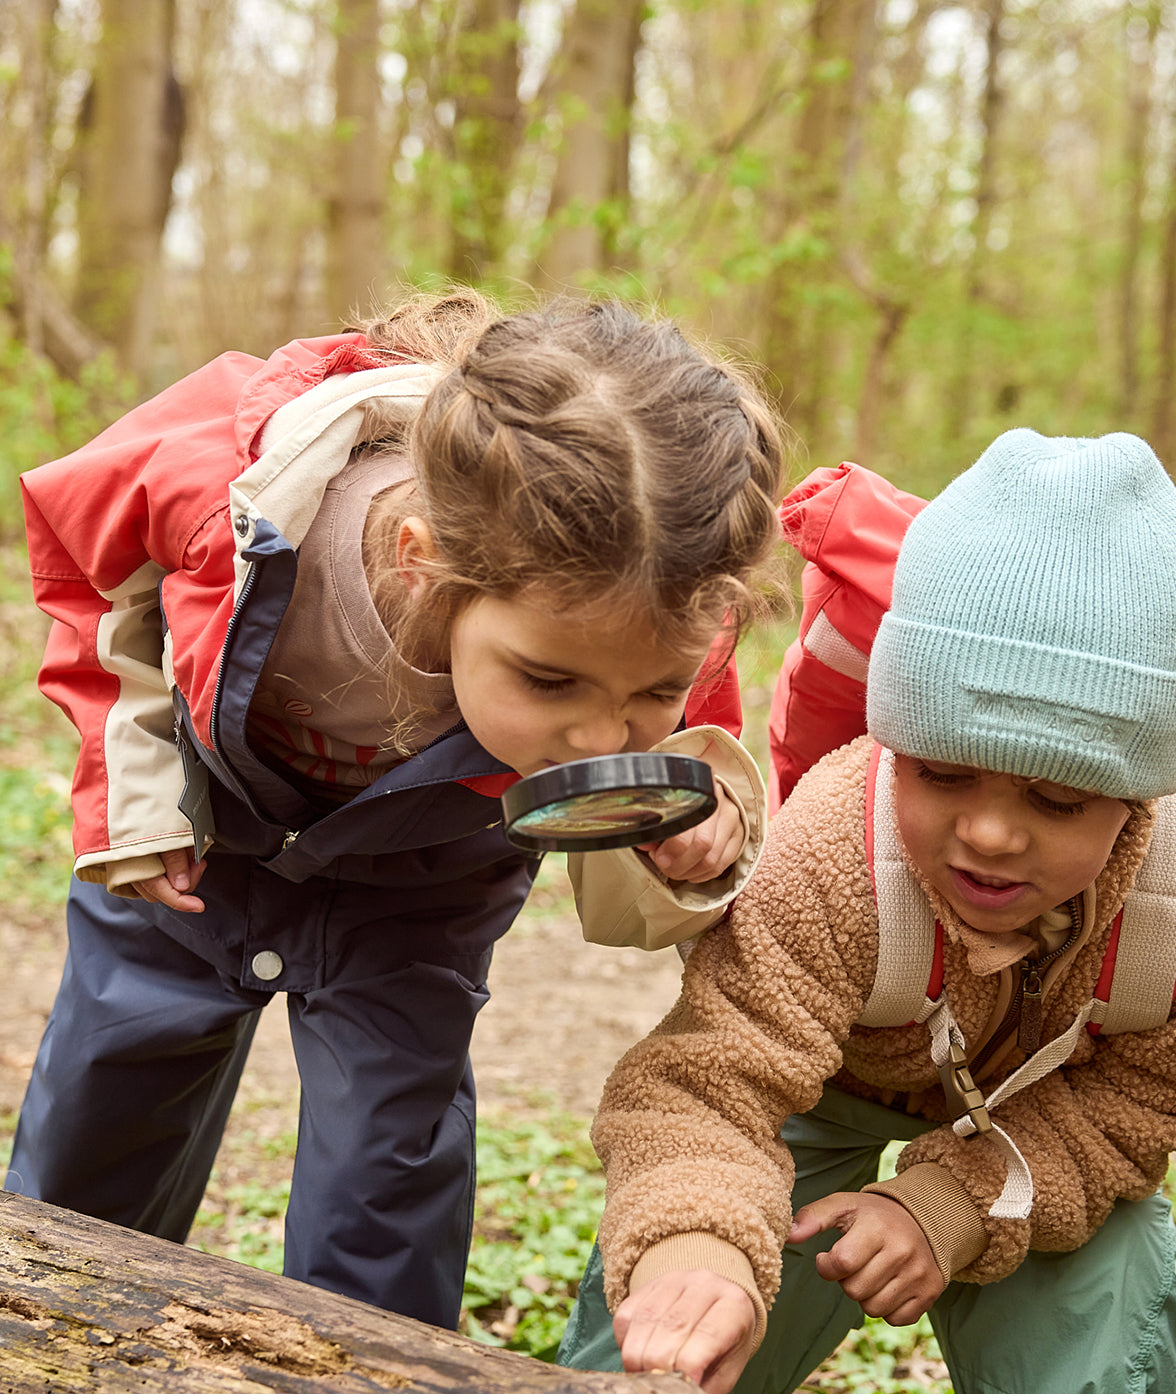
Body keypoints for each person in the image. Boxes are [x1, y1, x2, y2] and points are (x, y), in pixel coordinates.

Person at [9, 289, 782, 1328]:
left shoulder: (668, 605)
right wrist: (135, 809)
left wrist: (690, 832)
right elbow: (106, 589)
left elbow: (676, 775)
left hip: (425, 886)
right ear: (427, 562)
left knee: (388, 1159)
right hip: (196, 849)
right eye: (549, 682)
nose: (606, 734)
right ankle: (48, 1338)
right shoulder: (244, 498)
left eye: (649, 691)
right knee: (108, 1095)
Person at [556, 429, 1176, 1394]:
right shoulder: (836, 844)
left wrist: (949, 1206)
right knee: (650, 1369)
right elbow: (712, 1083)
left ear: (1140, 790)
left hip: (1054, 1122)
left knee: (1100, 1324)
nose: (989, 834)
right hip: (826, 1086)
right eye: (943, 773)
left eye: (1056, 799)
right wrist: (695, 1245)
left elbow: (1155, 1103)